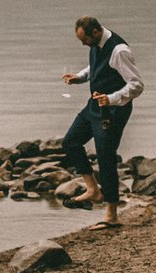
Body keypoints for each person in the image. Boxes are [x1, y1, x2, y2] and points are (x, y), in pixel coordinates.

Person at [60, 15, 142, 227]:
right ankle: (93, 190)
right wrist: (79, 77)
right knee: (70, 141)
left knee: (105, 156)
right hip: (95, 104)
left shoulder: (119, 50)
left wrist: (112, 98)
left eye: (84, 39)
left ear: (95, 32)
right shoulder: (96, 43)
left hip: (114, 110)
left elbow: (136, 85)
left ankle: (112, 214)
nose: (83, 44)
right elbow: (94, 67)